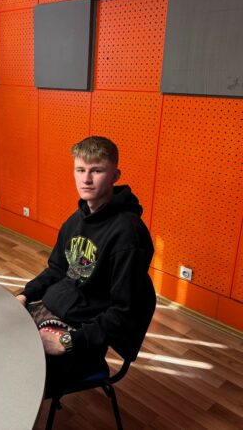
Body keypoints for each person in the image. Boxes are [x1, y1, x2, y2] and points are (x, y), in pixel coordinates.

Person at [16, 135, 155, 395]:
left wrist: (67, 342)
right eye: (80, 170)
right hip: (56, 310)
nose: (86, 179)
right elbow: (57, 269)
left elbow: (124, 312)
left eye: (97, 171)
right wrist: (26, 294)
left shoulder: (129, 235)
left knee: (17, 373)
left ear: (115, 176)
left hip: (84, 336)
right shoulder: (75, 220)